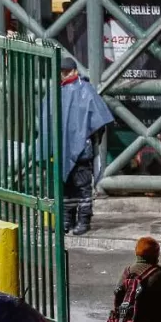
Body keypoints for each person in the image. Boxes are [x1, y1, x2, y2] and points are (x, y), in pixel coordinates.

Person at [44, 57, 113, 236]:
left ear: (75, 70)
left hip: (81, 150)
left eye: (67, 71)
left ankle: (83, 220)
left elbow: (98, 118)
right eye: (62, 71)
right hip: (65, 149)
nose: (64, 74)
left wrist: (88, 138)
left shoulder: (85, 90)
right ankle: (67, 221)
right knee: (66, 187)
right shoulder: (58, 91)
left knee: (82, 186)